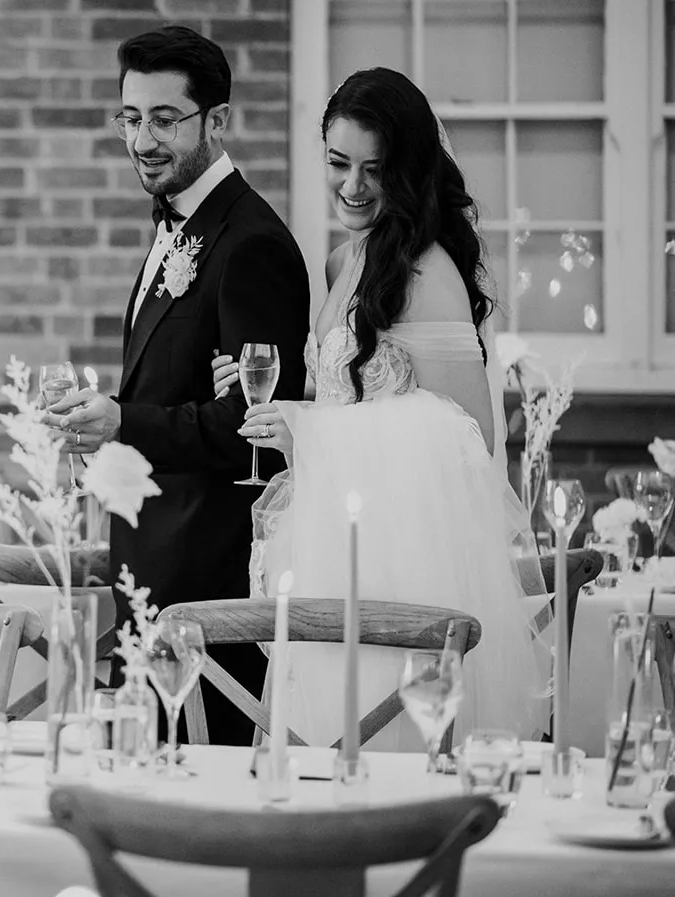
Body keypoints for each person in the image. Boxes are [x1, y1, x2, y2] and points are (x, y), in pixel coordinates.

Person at [212, 66, 548, 749]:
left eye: (375, 168)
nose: (353, 186)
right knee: (323, 743)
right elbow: (355, 394)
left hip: (405, 556)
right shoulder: (343, 262)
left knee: (384, 744)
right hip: (333, 537)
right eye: (339, 163)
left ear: (410, 170)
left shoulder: (430, 270)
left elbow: (467, 432)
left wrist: (312, 432)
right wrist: (284, 410)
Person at [45, 25, 310, 745]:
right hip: (154, 575)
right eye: (130, 119)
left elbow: (255, 430)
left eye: (164, 119)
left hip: (208, 585)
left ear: (216, 120)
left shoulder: (250, 243)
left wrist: (122, 421)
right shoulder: (179, 226)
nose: (142, 140)